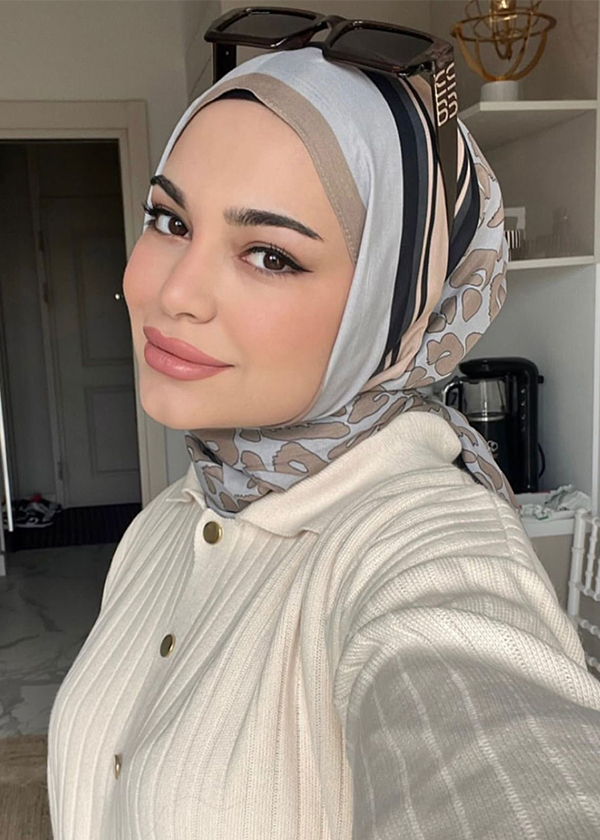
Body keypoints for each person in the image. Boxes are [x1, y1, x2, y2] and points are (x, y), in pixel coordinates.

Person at [47, 33, 600, 840]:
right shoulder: (163, 525)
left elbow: (503, 758)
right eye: (169, 219)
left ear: (390, 310)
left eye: (270, 255)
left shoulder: (427, 544)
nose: (174, 292)